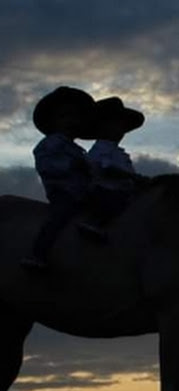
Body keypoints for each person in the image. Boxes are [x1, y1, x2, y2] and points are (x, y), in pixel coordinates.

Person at [22, 86, 100, 270]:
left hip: (82, 191)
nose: (70, 121)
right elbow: (46, 165)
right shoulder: (50, 144)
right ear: (53, 121)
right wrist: (72, 166)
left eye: (75, 117)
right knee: (59, 216)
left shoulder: (77, 150)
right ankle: (37, 254)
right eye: (64, 116)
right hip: (63, 191)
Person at [86, 96, 147, 228]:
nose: (120, 131)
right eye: (115, 126)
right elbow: (107, 169)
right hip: (106, 191)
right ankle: (97, 225)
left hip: (122, 191)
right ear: (102, 127)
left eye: (122, 127)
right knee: (114, 204)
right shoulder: (101, 148)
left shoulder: (119, 153)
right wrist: (133, 178)